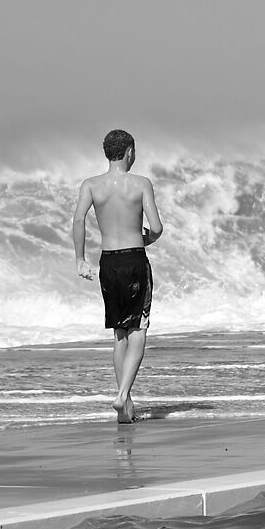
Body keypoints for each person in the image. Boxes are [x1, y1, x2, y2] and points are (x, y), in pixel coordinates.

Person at [72, 128, 165, 423]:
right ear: (129, 152)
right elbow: (157, 226)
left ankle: (126, 406)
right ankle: (123, 394)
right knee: (139, 330)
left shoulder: (91, 185)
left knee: (119, 333)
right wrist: (146, 239)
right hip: (134, 260)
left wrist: (80, 260)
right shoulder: (140, 183)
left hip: (108, 263)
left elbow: (78, 219)